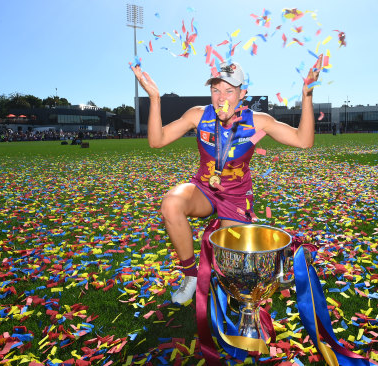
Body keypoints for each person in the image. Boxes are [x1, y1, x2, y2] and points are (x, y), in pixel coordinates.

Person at [131, 56, 322, 304]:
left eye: (229, 91)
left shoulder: (258, 121)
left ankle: (267, 261)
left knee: (233, 273)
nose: (221, 98)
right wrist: (155, 99)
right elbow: (157, 140)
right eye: (215, 90)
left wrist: (307, 95)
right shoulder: (198, 115)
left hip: (236, 198)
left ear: (242, 93)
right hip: (204, 190)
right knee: (171, 204)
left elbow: (303, 140)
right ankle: (190, 276)